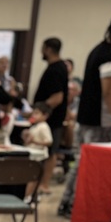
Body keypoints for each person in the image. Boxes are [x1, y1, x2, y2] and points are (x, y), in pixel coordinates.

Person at [58, 11, 111, 217]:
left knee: (81, 163)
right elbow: (108, 92)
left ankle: (67, 203)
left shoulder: (97, 51)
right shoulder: (109, 56)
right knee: (89, 165)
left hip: (87, 119)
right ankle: (75, 205)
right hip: (99, 121)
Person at [31, 37, 69, 196]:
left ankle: (44, 184)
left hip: (51, 120)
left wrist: (41, 111)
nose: (41, 52)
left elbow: (57, 97)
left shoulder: (55, 69)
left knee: (50, 152)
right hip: (51, 117)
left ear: (48, 49)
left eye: (42, 48)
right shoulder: (59, 67)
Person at [20, 102, 53, 199]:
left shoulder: (44, 126)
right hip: (32, 155)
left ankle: (28, 196)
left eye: (37, 113)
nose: (34, 115)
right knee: (29, 176)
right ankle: (29, 195)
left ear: (45, 115)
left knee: (33, 177)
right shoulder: (35, 125)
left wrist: (35, 142)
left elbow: (49, 141)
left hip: (39, 156)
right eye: (33, 113)